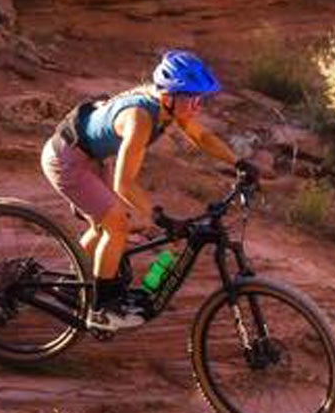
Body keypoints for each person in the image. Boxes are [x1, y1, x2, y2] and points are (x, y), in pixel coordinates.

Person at [41, 49, 246, 330]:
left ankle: (71, 283)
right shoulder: (140, 119)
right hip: (66, 159)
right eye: (192, 98)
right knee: (117, 224)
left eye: (200, 98)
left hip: (87, 156)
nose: (197, 106)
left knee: (105, 226)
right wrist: (159, 217)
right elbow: (124, 184)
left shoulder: (168, 105)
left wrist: (239, 163)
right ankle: (100, 308)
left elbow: (202, 136)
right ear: (168, 96)